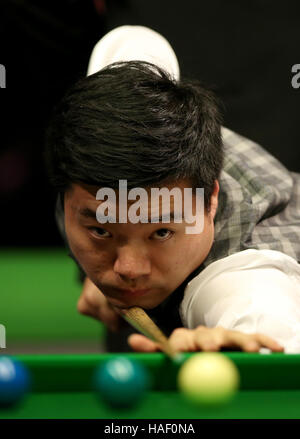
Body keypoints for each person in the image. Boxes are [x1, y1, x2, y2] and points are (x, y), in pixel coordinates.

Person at [45, 26, 300, 354]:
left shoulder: (244, 277)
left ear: (211, 202)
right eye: (100, 231)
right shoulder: (94, 144)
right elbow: (135, 44)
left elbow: (268, 328)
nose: (129, 270)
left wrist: (247, 355)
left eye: (162, 232)